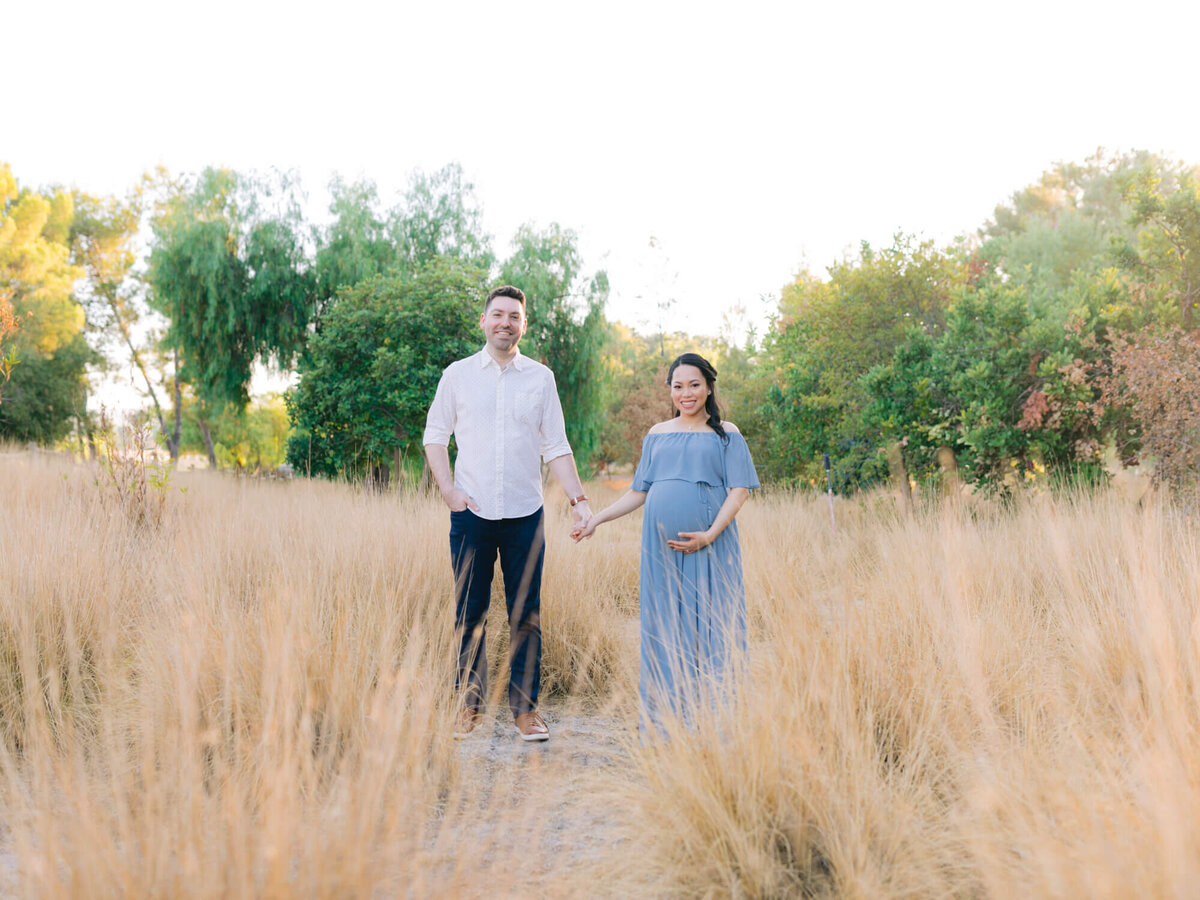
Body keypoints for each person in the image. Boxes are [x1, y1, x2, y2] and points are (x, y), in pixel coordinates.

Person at [424, 285, 591, 742]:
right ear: (483, 320)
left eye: (514, 316)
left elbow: (555, 446)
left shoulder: (540, 378)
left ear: (523, 325)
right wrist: (449, 492)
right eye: (497, 314)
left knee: (527, 615)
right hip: (471, 513)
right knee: (469, 612)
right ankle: (469, 708)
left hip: (525, 513)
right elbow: (435, 436)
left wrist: (579, 502)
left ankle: (525, 712)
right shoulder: (457, 375)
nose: (505, 322)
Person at [571, 353, 758, 735]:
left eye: (694, 385)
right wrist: (596, 520)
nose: (686, 393)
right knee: (666, 626)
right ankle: (666, 722)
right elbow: (638, 492)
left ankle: (717, 723)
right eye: (678, 386)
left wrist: (709, 534)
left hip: (712, 545)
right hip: (660, 552)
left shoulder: (728, 434)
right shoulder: (657, 433)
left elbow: (740, 492)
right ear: (670, 390)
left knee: (712, 624)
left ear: (708, 387)